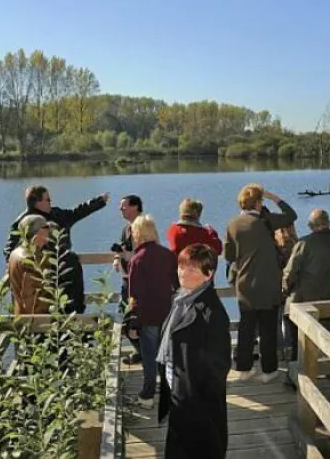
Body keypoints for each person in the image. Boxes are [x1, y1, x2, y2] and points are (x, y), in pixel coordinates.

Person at [157, 244, 231, 459]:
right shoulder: (180, 300)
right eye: (181, 266)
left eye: (192, 269)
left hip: (198, 405)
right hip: (178, 396)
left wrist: (197, 400)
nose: (183, 273)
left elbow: (219, 367)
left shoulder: (212, 313)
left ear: (209, 275)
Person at [224, 183, 297, 383]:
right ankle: (269, 371)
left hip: (245, 285)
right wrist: (275, 197)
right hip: (268, 286)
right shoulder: (266, 221)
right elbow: (292, 215)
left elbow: (229, 255)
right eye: (262, 200)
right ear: (258, 203)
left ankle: (244, 369)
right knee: (267, 330)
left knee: (246, 329)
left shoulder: (232, 224)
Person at [3, 185, 109, 314]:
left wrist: (98, 202)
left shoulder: (57, 213)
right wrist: (13, 269)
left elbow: (77, 212)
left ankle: (74, 316)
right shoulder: (23, 222)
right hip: (43, 272)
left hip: (65, 266)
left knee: (72, 298)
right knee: (47, 304)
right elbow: (10, 250)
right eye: (48, 200)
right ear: (37, 202)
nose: (50, 202)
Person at [127, 214, 178, 409]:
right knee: (167, 355)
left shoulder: (137, 260)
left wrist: (133, 322)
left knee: (149, 358)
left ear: (137, 234)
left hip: (147, 315)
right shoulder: (167, 255)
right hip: (167, 312)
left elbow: (135, 295)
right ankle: (171, 393)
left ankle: (147, 395)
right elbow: (176, 283)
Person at [282, 209, 330, 361]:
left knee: (298, 344)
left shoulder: (304, 243)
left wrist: (284, 289)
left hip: (301, 301)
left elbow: (289, 273)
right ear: (328, 223)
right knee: (320, 342)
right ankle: (317, 372)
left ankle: (295, 377)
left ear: (310, 226)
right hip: (325, 301)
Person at [113, 194, 143, 364]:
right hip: (126, 280)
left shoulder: (143, 227)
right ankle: (141, 351)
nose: (120, 209)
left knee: (131, 320)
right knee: (124, 320)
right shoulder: (126, 228)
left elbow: (145, 254)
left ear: (135, 207)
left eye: (123, 206)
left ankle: (144, 353)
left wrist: (127, 255)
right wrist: (118, 257)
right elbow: (122, 248)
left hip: (138, 282)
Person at [7, 214, 54, 315]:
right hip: (34, 320)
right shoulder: (30, 260)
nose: (49, 232)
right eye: (46, 227)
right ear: (39, 231)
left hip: (19, 313)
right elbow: (30, 300)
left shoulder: (14, 253)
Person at [274, 224, 299, 358]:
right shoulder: (297, 245)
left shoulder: (276, 247)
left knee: (277, 320)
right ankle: (290, 349)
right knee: (289, 320)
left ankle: (279, 350)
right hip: (292, 288)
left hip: (278, 287)